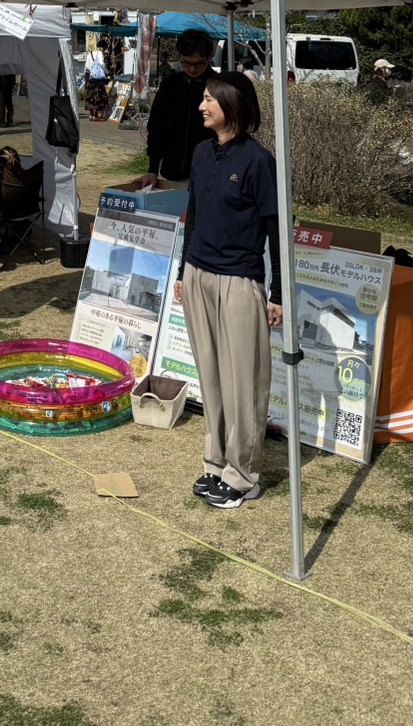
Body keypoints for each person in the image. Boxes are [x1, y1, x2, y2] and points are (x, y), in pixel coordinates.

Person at [174, 71, 281, 510]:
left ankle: (244, 475)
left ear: (231, 104)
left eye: (208, 99)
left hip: (240, 281)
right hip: (199, 275)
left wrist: (278, 295)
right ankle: (216, 463)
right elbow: (193, 214)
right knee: (212, 379)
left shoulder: (258, 161)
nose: (201, 106)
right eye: (202, 98)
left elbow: (276, 230)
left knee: (244, 384)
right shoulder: (201, 154)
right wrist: (183, 271)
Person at [142, 29, 215, 185]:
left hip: (209, 176)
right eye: (186, 63)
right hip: (172, 172)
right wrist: (153, 169)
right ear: (179, 57)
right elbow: (156, 127)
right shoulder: (170, 84)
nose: (192, 69)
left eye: (199, 64)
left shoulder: (218, 86)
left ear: (209, 58)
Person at [85, 47, 109, 121]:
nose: (106, 51)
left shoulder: (90, 54)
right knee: (99, 96)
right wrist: (107, 72)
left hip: (91, 78)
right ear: (102, 47)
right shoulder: (99, 53)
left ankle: (91, 115)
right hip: (98, 80)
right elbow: (102, 64)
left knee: (91, 97)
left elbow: (87, 66)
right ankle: (97, 115)